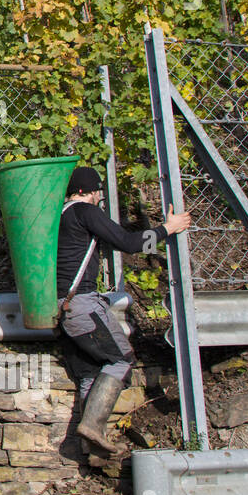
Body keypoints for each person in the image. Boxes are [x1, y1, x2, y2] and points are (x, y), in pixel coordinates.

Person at [56, 166, 190, 455]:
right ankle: (92, 426)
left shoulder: (60, 215)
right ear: (87, 192)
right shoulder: (84, 212)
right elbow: (129, 244)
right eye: (96, 193)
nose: (98, 199)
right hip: (82, 304)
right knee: (121, 359)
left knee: (91, 372)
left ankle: (89, 448)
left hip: (61, 308)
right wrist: (167, 229)